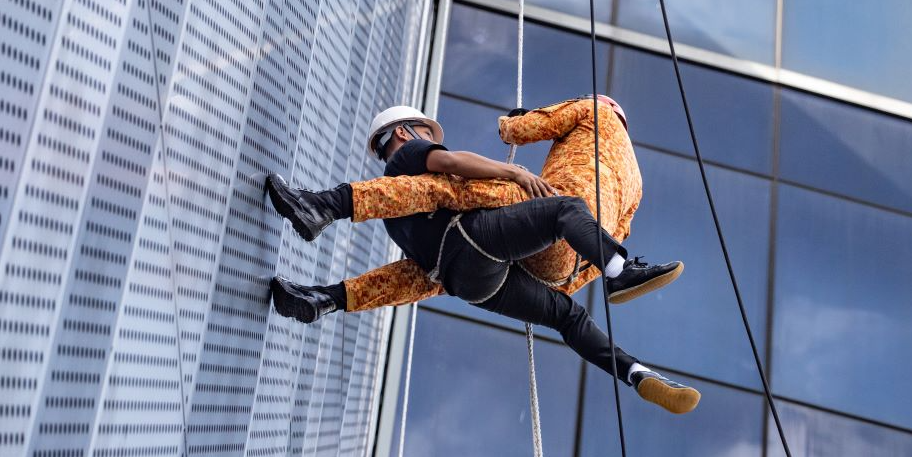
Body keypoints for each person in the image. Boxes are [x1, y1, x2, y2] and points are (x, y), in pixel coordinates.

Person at [268, 100, 701, 414]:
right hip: (557, 252)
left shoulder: (394, 216)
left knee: (431, 266)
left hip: (469, 281)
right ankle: (634, 362)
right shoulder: (414, 159)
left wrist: (512, 128)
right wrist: (515, 173)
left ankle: (320, 291)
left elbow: (405, 279)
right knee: (566, 256)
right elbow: (454, 162)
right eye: (424, 133)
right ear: (405, 133)